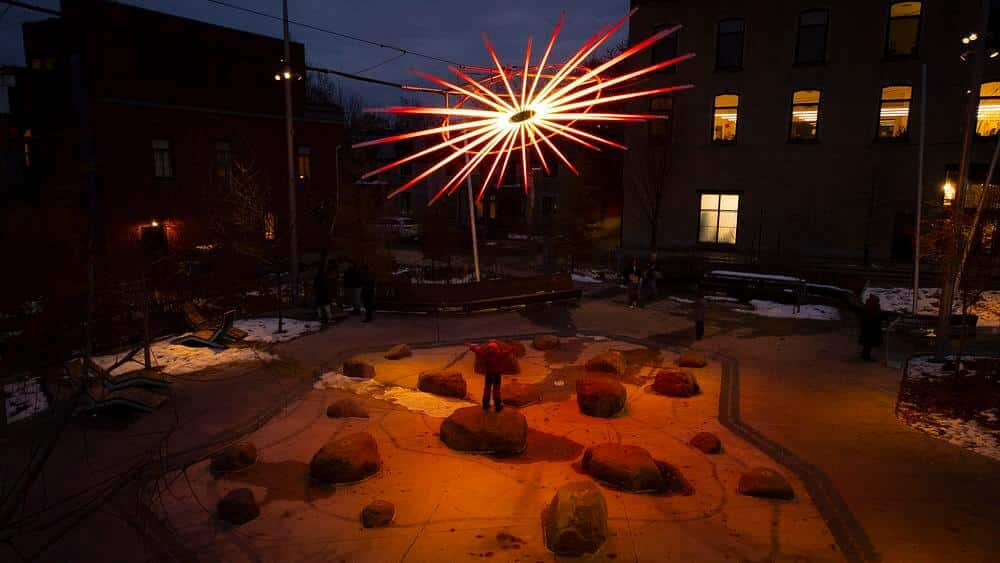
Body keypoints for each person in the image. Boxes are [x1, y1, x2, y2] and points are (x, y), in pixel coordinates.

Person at [466, 340, 515, 412]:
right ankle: (497, 406)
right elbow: (507, 352)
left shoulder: (485, 355)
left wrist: (471, 346)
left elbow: (478, 351)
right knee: (496, 390)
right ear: (496, 349)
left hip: (489, 374)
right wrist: (512, 347)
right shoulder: (500, 355)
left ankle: (485, 405)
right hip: (497, 374)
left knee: (487, 389)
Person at [859, 294, 883, 361]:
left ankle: (865, 354)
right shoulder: (873, 307)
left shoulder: (867, 306)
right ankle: (866, 356)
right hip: (871, 328)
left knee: (867, 344)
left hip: (867, 327)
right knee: (868, 343)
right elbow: (877, 316)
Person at [314, 252, 332, 324]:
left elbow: (316, 285)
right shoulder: (323, 278)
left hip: (321, 293)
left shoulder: (319, 278)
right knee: (325, 307)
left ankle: (323, 318)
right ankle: (327, 318)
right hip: (323, 293)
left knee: (322, 307)